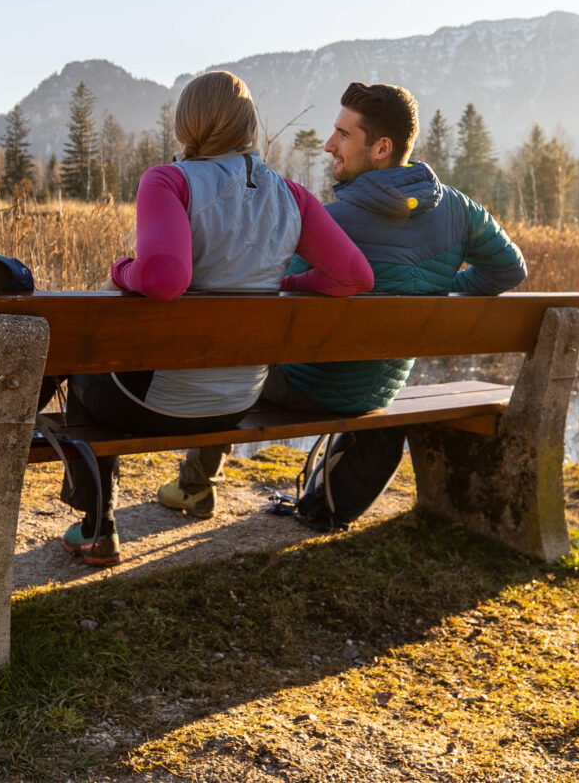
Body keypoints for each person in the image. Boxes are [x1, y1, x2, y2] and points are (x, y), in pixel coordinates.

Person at [157, 81, 527, 528]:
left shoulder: (325, 221)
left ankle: (196, 485)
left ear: (381, 148)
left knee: (236, 355)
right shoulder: (460, 210)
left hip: (306, 388)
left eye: (343, 135)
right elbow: (509, 270)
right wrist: (444, 290)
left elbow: (262, 295)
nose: (329, 144)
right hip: (377, 391)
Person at [59, 70, 375, 565]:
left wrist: (122, 270)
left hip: (150, 401)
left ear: (188, 126)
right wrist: (284, 285)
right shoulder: (293, 197)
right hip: (235, 403)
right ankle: (125, 511)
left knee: (86, 357)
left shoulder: (169, 180)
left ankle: (98, 526)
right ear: (248, 124)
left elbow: (165, 278)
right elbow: (356, 276)